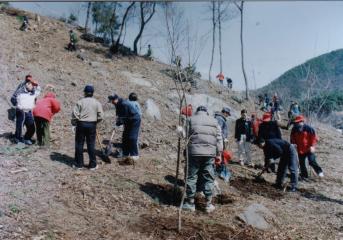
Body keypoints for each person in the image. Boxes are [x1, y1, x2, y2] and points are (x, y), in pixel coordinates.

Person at [182, 106, 223, 213]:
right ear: (206, 112)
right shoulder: (214, 121)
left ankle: (190, 202)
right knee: (208, 176)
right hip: (209, 153)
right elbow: (219, 138)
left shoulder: (190, 119)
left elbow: (184, 135)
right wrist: (219, 153)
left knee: (191, 176)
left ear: (197, 112)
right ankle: (208, 203)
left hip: (194, 152)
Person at [71, 85, 104, 170]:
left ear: (85, 92)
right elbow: (101, 116)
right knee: (91, 145)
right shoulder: (97, 103)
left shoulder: (80, 102)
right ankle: (92, 165)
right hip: (92, 125)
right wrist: (95, 122)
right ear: (92, 93)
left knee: (79, 144)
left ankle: (79, 164)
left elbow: (75, 114)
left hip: (81, 124)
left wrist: (74, 123)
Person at [108, 93, 141, 163]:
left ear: (116, 99)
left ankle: (135, 154)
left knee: (132, 137)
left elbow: (124, 116)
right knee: (125, 137)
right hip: (128, 120)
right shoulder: (117, 104)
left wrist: (119, 123)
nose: (111, 102)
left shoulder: (124, 104)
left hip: (134, 119)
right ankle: (125, 153)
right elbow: (119, 116)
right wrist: (117, 123)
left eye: (112, 101)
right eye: (111, 101)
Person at [290, 115, 324, 180]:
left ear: (302, 122)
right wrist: (293, 145)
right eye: (296, 123)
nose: (297, 124)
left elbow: (313, 138)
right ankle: (304, 175)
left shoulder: (309, 129)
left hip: (309, 148)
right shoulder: (294, 129)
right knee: (301, 163)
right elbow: (292, 138)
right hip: (299, 149)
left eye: (298, 122)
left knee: (311, 161)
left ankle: (319, 172)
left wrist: (312, 146)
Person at [11, 75, 41, 145]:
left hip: (29, 111)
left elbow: (38, 91)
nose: (32, 86)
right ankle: (17, 139)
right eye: (30, 84)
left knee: (32, 127)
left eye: (33, 85)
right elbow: (13, 98)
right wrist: (17, 104)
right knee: (20, 126)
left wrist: (37, 84)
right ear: (26, 84)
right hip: (21, 110)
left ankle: (26, 138)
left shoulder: (33, 91)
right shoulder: (20, 90)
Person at [214, 107, 231, 182]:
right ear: (225, 112)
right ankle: (218, 171)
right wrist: (224, 139)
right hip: (220, 140)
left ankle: (219, 170)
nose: (227, 116)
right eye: (227, 114)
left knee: (221, 156)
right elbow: (219, 131)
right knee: (220, 155)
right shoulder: (220, 119)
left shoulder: (220, 118)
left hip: (221, 140)